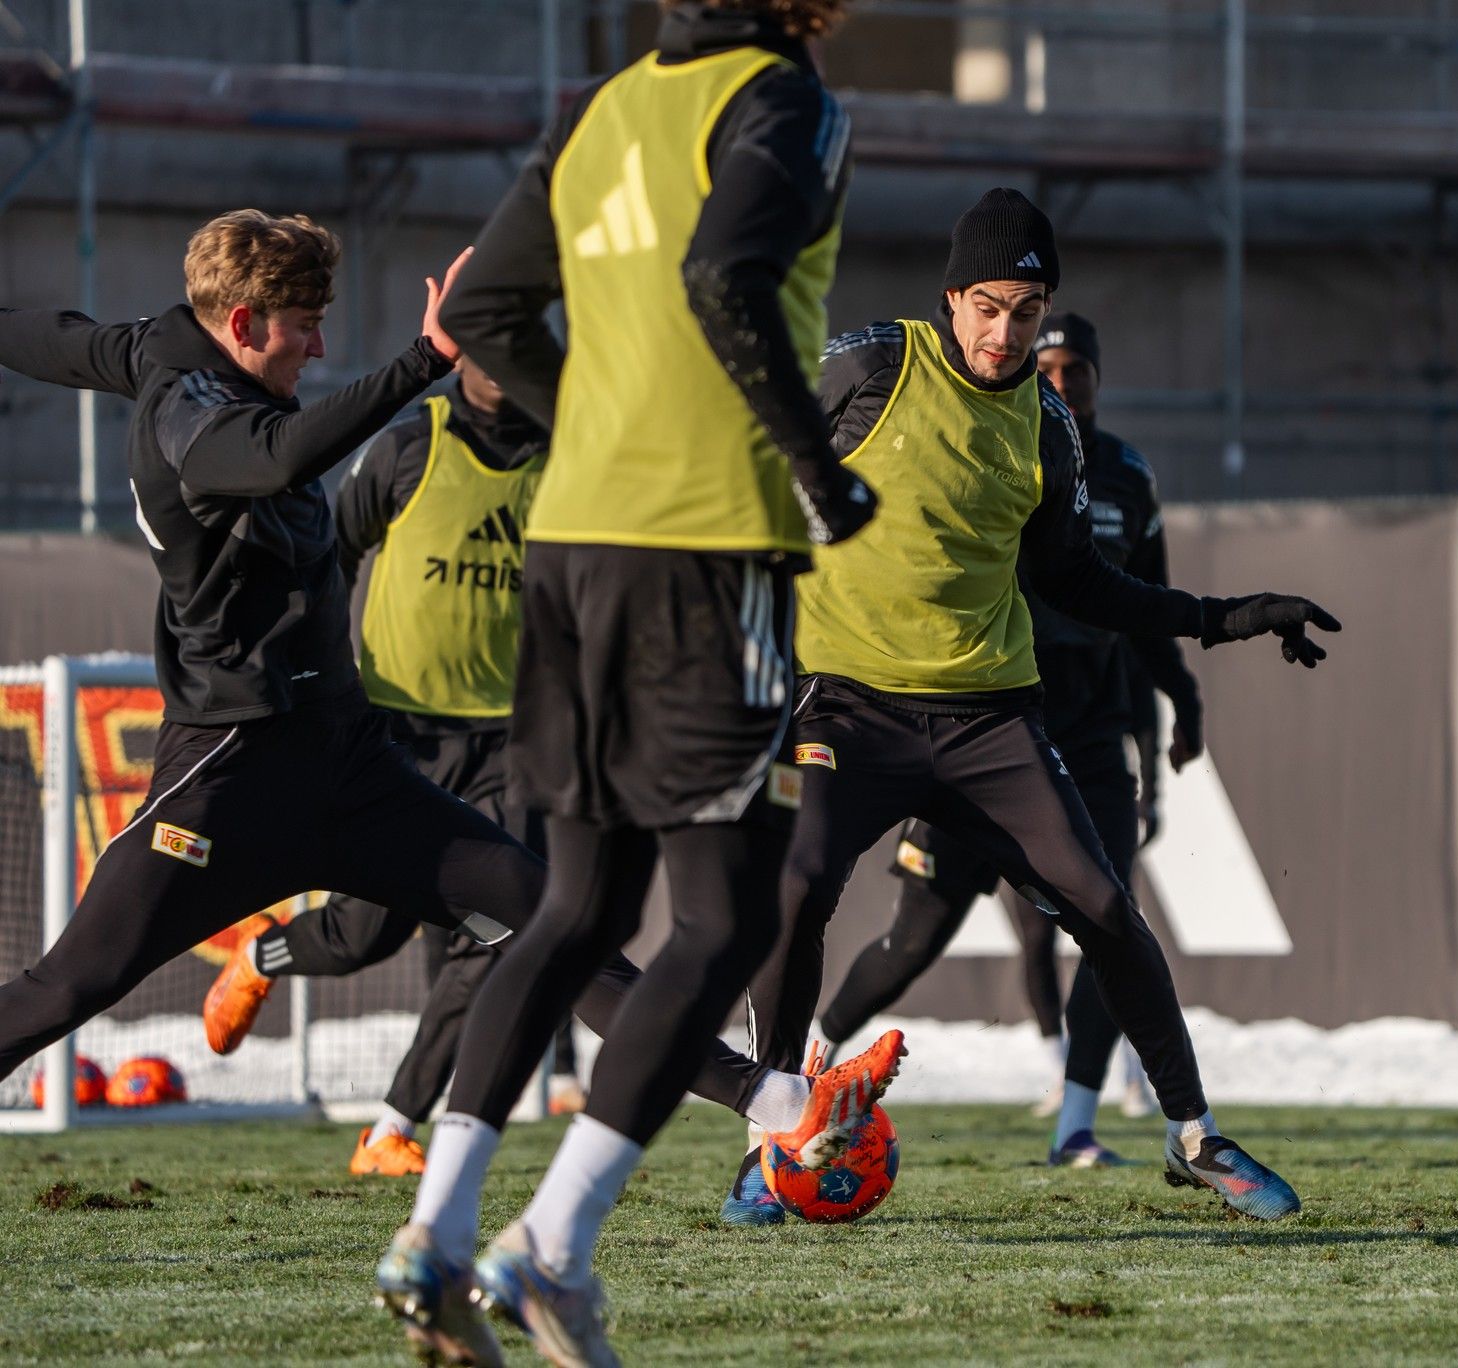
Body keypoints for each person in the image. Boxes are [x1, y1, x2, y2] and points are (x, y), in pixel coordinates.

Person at [374, 3, 898, 1364]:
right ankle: (548, 1249)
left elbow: (483, 310)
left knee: (576, 905)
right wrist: (814, 465)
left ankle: (431, 1234)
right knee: (721, 919)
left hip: (571, 550)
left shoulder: (601, 104)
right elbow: (729, 276)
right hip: (705, 550)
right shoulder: (784, 97)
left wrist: (590, 419)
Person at [687, 187, 1339, 1231]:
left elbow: (1081, 583)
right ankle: (774, 1141)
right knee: (799, 885)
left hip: (990, 718)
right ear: (952, 297)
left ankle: (1191, 1135)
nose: (1005, 333)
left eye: (1027, 313)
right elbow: (741, 467)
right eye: (989, 306)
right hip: (846, 708)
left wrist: (1228, 615)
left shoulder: (1045, 428)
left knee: (1107, 910)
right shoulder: (869, 368)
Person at [0, 211, 634, 1133]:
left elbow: (56, 338)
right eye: (304, 325)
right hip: (230, 768)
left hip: (349, 759)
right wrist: (423, 360)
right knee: (68, 987)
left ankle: (778, 1104)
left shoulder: (161, 348)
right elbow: (278, 456)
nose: (321, 346)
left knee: (557, 922)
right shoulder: (190, 408)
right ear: (247, 322)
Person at [807, 310, 1204, 1178]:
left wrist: (1180, 699)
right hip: (976, 717)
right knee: (914, 938)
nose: (1058, 381)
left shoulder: (1129, 477)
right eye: (1048, 366)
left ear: (1098, 379)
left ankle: (1080, 1122)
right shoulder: (991, 431)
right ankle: (813, 1057)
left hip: (1088, 733)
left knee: (1105, 915)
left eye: (1075, 369)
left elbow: (1141, 601)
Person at [198, 356, 583, 1178]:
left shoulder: (564, 462)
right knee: (364, 937)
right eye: (481, 338)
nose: (498, 360)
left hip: (512, 743)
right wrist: (315, 683)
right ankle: (264, 953)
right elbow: (326, 555)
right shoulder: (412, 448)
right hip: (399, 733)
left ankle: (391, 1130)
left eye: (511, 339)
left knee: (504, 930)